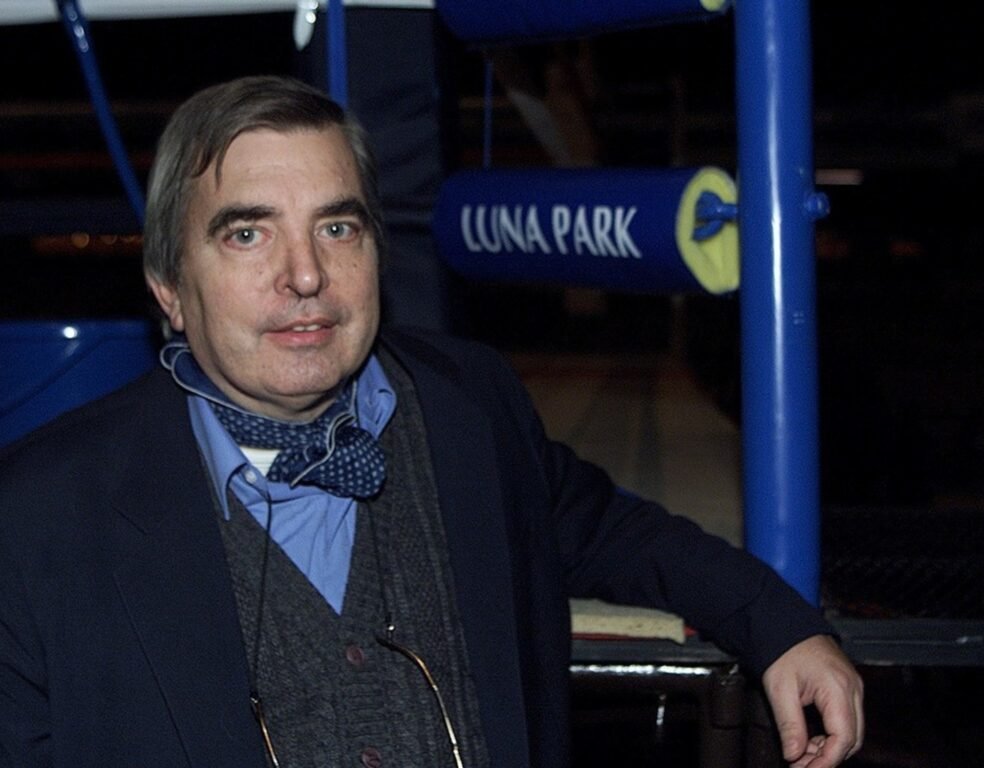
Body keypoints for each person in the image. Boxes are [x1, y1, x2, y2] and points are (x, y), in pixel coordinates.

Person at [0, 75, 862, 768]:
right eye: (248, 235)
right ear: (168, 288)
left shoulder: (466, 404)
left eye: (338, 226)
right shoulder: (41, 515)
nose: (306, 275)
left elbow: (610, 529)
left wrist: (783, 626)